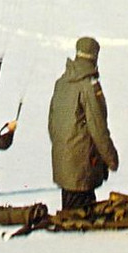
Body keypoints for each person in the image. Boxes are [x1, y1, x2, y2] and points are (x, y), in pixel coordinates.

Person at [48, 36, 119, 210]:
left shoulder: (61, 83)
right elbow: (98, 127)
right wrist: (111, 158)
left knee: (70, 211)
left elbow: (52, 123)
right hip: (83, 165)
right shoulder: (89, 85)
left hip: (64, 162)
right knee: (80, 221)